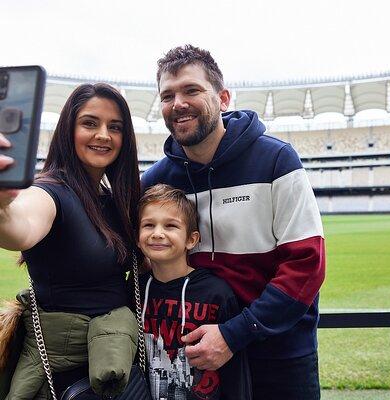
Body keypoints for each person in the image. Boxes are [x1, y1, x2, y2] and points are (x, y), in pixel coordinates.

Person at [141, 44, 326, 400]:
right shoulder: (156, 182)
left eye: (191, 90)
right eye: (167, 95)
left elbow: (307, 265)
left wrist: (234, 333)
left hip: (278, 353)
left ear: (223, 98)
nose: (178, 103)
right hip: (193, 356)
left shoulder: (276, 160)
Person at [0, 83, 141, 398]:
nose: (103, 134)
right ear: (68, 130)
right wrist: (2, 206)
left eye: (114, 127)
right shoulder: (51, 191)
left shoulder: (113, 199)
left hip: (113, 366)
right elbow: (20, 226)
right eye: (90, 123)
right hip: (64, 377)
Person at [137, 184, 252, 400]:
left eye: (170, 226)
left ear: (192, 239)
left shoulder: (216, 293)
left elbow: (235, 371)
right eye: (149, 225)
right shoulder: (134, 290)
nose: (158, 233)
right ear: (137, 236)